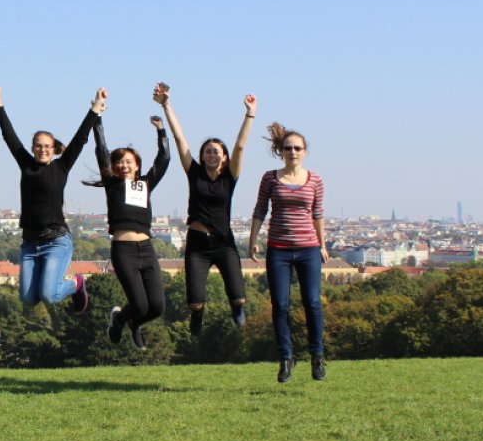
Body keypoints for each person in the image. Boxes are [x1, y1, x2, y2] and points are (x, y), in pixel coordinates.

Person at [0, 83, 105, 312]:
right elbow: (9, 136)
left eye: (47, 146)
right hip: (30, 243)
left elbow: (80, 138)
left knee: (49, 295)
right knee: (28, 298)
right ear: (33, 148)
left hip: (56, 241)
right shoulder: (26, 165)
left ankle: (76, 283)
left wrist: (95, 107)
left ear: (53, 149)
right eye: (38, 146)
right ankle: (70, 286)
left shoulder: (61, 167)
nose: (42, 149)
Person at [154, 83, 254, 337]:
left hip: (224, 242)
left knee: (238, 297)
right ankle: (198, 313)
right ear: (202, 155)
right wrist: (166, 105)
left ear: (224, 157)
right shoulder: (194, 172)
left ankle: (237, 309)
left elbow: (240, 146)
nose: (211, 155)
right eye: (208, 151)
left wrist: (249, 115)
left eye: (216, 152)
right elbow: (179, 139)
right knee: (195, 301)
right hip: (197, 243)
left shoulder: (230, 176)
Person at [84, 90, 170, 350]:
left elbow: (164, 159)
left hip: (146, 248)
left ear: (137, 165)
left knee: (156, 306)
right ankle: (120, 319)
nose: (123, 165)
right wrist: (97, 118)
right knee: (140, 304)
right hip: (123, 249)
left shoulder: (145, 184)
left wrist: (161, 131)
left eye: (129, 162)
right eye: (119, 162)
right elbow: (101, 150)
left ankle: (133, 323)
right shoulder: (112, 184)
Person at [248, 122, 327, 383]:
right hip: (278, 249)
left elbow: (318, 214)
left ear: (305, 152)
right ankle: (286, 358)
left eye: (297, 148)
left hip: (308, 248)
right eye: (288, 148)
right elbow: (260, 210)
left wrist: (323, 245)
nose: (292, 151)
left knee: (312, 302)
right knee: (280, 305)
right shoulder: (270, 178)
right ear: (280, 151)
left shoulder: (315, 179)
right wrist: (252, 240)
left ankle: (317, 356)